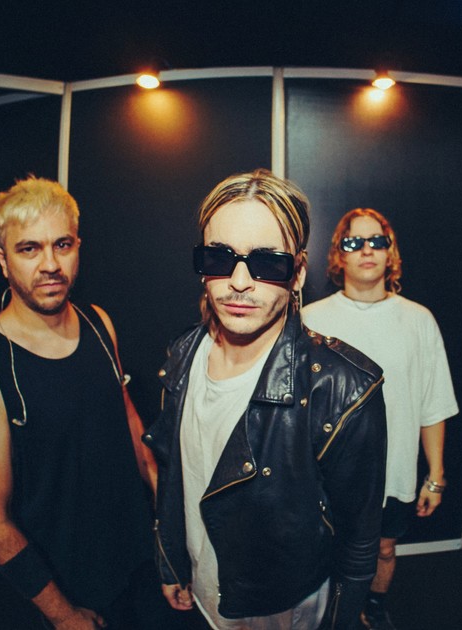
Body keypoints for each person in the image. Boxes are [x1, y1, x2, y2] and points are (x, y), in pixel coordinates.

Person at [146, 169, 388, 630]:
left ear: (298, 273)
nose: (239, 281)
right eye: (219, 258)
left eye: (267, 263)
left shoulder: (342, 390)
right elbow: (175, 474)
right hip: (204, 594)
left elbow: (359, 543)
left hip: (283, 611)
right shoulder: (182, 355)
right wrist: (172, 562)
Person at [0, 176, 166, 629]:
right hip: (71, 585)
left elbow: (129, 421)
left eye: (62, 245)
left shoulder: (98, 323)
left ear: (77, 247)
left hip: (139, 556)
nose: (50, 264)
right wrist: (63, 616)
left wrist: (171, 531)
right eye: (29, 249)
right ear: (3, 261)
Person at [301, 208, 458, 630]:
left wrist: (436, 476)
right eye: (354, 242)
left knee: (384, 550)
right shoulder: (311, 319)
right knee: (325, 552)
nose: (366, 250)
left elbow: (433, 402)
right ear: (339, 256)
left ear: (391, 253)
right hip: (326, 476)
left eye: (377, 241)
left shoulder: (419, 320)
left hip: (394, 473)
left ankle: (372, 605)